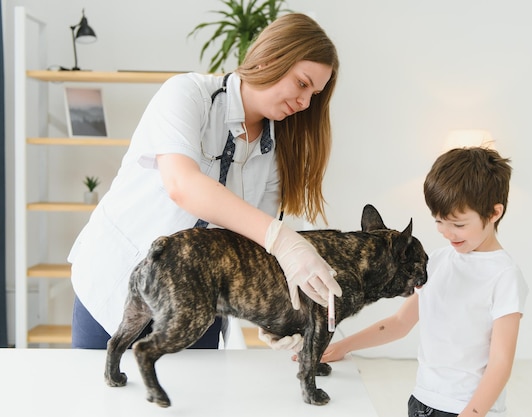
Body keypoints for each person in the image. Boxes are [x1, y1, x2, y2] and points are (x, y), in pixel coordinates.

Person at [68, 13, 342, 349]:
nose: (304, 103)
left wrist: (274, 315)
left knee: (195, 399)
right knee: (105, 397)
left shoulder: (275, 150)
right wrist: (283, 239)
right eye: (302, 83)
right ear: (272, 57)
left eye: (314, 94)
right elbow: (182, 184)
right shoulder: (187, 95)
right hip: (118, 283)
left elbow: (253, 243)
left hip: (198, 303)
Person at [319, 147, 529, 417]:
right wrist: (342, 346)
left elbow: (501, 363)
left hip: (467, 409)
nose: (446, 232)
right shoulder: (439, 261)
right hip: (421, 401)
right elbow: (399, 323)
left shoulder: (504, 275)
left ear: (493, 213)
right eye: (439, 221)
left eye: (458, 224)